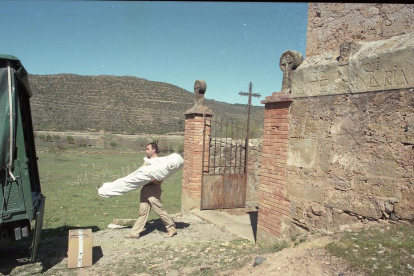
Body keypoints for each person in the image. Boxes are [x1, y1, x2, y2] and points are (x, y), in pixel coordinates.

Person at [125, 143, 177, 239]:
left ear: (154, 150)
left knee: (159, 209)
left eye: (148, 149)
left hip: (153, 188)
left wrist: (156, 181)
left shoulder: (158, 162)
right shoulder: (147, 161)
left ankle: (171, 228)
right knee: (143, 212)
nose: (146, 150)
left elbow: (163, 175)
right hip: (145, 188)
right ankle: (135, 232)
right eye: (146, 149)